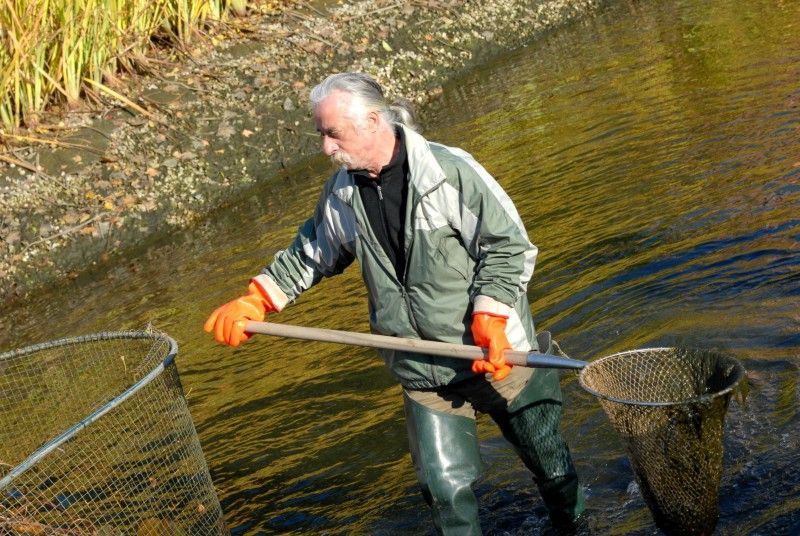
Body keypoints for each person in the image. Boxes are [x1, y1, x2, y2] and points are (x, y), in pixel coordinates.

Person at [204, 72, 585, 534]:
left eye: (332, 134)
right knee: (445, 495)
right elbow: (311, 253)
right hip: (420, 369)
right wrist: (257, 300)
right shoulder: (343, 192)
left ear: (372, 121)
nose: (325, 148)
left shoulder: (450, 172)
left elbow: (509, 247)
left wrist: (492, 315)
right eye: (321, 134)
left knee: (554, 473)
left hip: (496, 355)